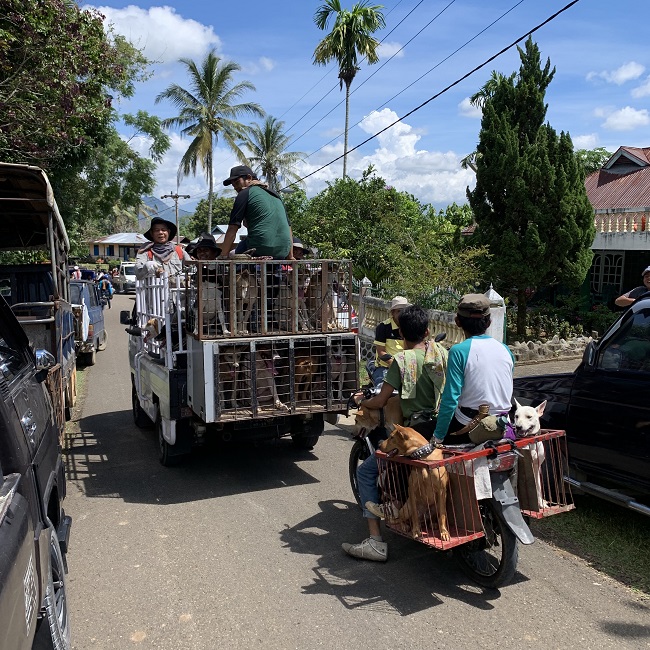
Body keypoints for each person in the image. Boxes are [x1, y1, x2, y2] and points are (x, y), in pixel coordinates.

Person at [342, 305, 448, 562]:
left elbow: (381, 401)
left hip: (416, 431)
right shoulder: (441, 353)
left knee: (365, 472)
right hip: (442, 426)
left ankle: (375, 542)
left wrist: (362, 401)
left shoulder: (401, 361)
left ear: (400, 334)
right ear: (427, 331)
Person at [431, 294, 514, 446]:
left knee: (416, 433)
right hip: (503, 425)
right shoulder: (505, 350)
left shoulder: (458, 351)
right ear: (489, 322)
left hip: (469, 425)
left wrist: (438, 437)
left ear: (457, 321)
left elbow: (450, 399)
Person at [218, 165, 293, 260]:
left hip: (259, 248)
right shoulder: (275, 195)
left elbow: (233, 228)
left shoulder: (244, 193)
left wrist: (223, 256)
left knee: (235, 253)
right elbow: (289, 227)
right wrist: (291, 257)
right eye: (233, 186)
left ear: (249, 178)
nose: (236, 188)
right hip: (283, 251)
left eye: (237, 182)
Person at [368, 296, 410, 389]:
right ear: (392, 313)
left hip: (406, 367)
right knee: (381, 388)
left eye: (404, 311)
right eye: (399, 311)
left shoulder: (410, 327)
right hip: (385, 367)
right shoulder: (383, 327)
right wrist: (396, 366)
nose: (402, 314)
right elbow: (381, 352)